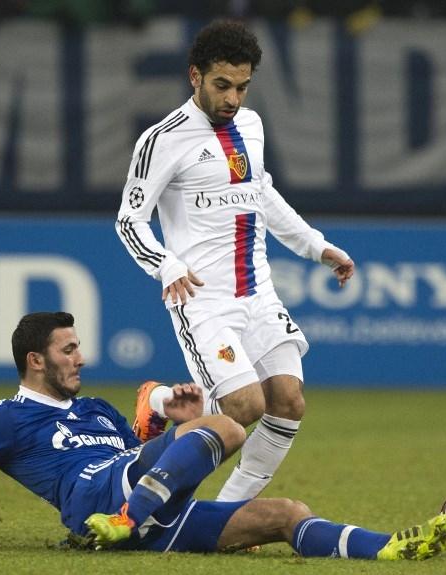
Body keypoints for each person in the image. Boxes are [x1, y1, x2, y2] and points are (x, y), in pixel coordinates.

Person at [0, 311, 446, 559]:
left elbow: (141, 440)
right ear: (36, 360)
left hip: (147, 508)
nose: (79, 357)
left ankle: (392, 549)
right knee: (224, 422)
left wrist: (171, 415)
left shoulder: (95, 413)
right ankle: (126, 516)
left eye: (78, 346)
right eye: (67, 349)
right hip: (94, 503)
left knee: (286, 514)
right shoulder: (6, 418)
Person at [116, 19, 355, 501]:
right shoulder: (161, 140)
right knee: (243, 407)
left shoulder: (250, 124)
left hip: (259, 292)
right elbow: (129, 221)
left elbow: (259, 193)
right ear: (194, 77)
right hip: (203, 300)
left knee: (288, 400)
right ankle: (157, 408)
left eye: (242, 87)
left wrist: (316, 246)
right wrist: (167, 265)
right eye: (222, 85)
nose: (233, 98)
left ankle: (229, 513)